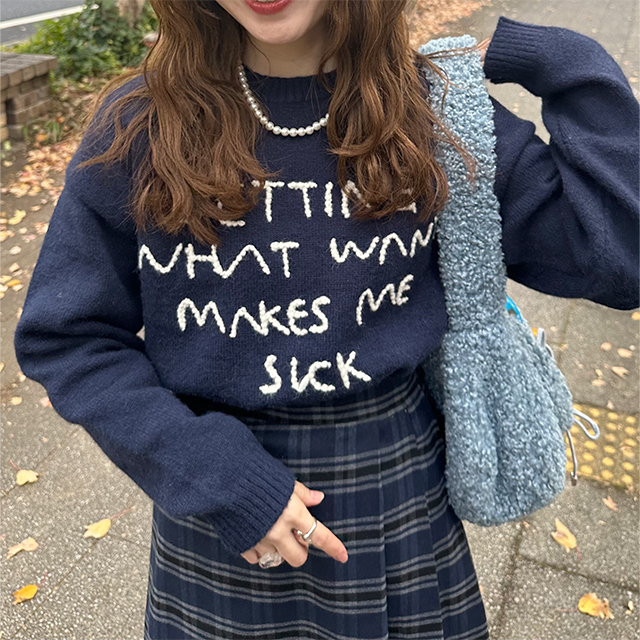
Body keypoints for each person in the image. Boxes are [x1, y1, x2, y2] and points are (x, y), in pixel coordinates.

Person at [13, 0, 639, 638]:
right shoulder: (142, 126)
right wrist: (207, 470)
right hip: (216, 510)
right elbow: (68, 337)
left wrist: (558, 59)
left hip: (398, 495)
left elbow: (621, 256)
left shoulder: (435, 112)